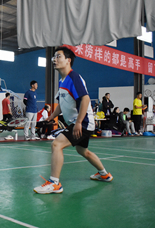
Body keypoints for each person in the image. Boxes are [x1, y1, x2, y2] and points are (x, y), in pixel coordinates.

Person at [34, 47, 113, 194]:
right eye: (54, 57)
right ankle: (104, 174)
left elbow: (85, 99)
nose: (55, 60)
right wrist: (51, 117)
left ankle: (54, 183)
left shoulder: (74, 77)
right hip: (79, 122)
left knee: (56, 144)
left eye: (58, 56)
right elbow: (61, 104)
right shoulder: (62, 81)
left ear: (68, 60)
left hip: (83, 122)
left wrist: (78, 123)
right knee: (83, 151)